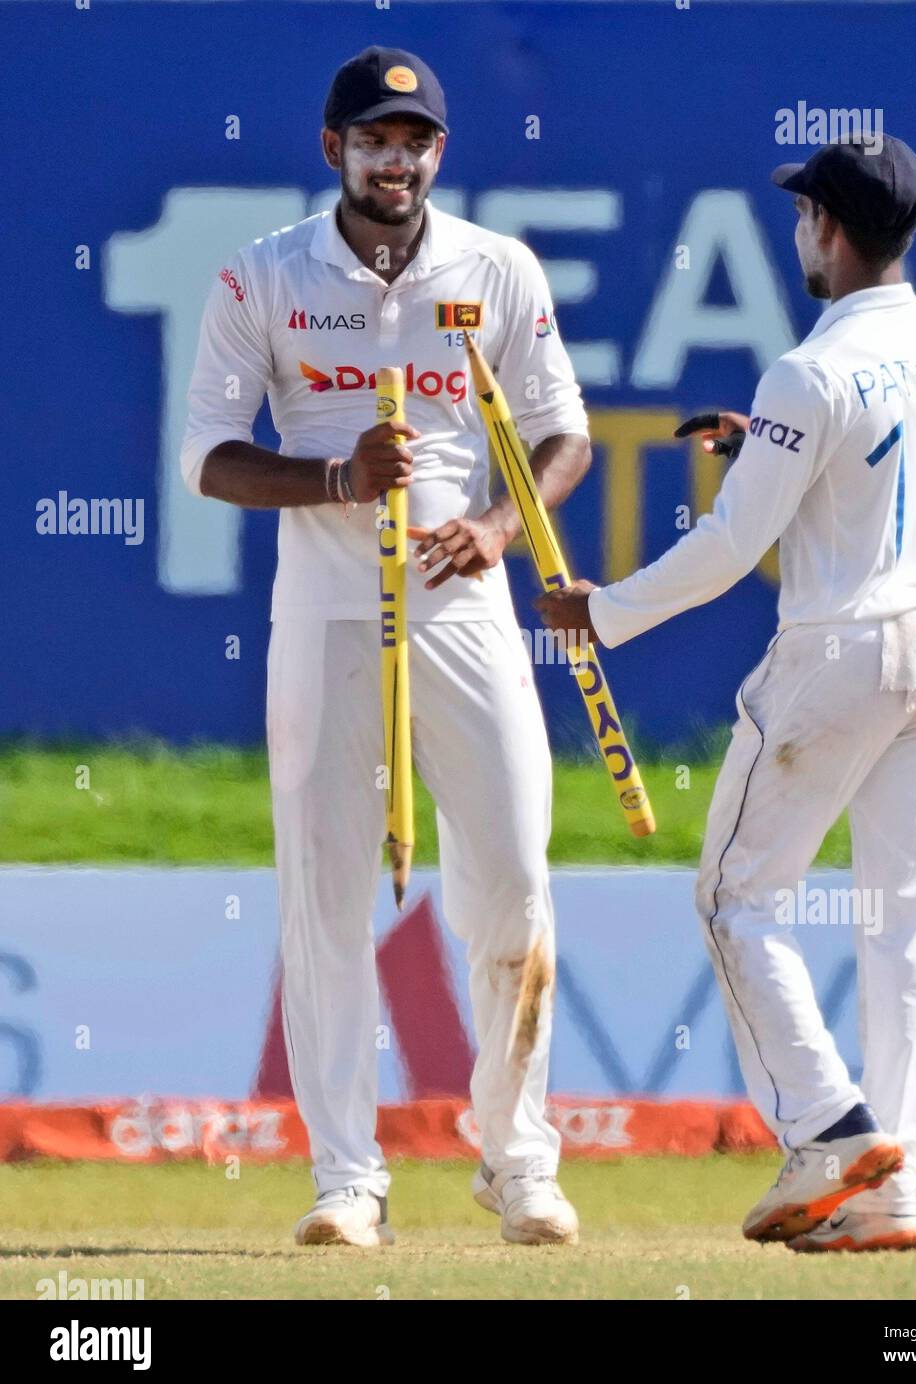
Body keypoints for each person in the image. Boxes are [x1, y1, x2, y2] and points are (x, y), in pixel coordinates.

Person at [536, 137, 916, 1253]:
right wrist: (762, 445)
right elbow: (865, 463)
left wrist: (604, 613)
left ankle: (828, 1128)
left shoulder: (809, 369)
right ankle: (893, 1190)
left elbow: (736, 547)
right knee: (903, 926)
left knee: (737, 897)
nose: (799, 238)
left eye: (802, 219)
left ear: (828, 228)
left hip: (840, 653)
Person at [181, 46, 590, 1248]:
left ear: (437, 156)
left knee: (514, 872)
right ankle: (346, 1178)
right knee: (323, 898)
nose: (394, 161)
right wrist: (332, 474)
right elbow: (206, 454)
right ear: (332, 151)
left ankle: (517, 1160)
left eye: (413, 142)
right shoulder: (263, 275)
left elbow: (561, 434)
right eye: (373, 141)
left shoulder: (497, 267)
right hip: (323, 618)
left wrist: (501, 527)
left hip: (463, 613)